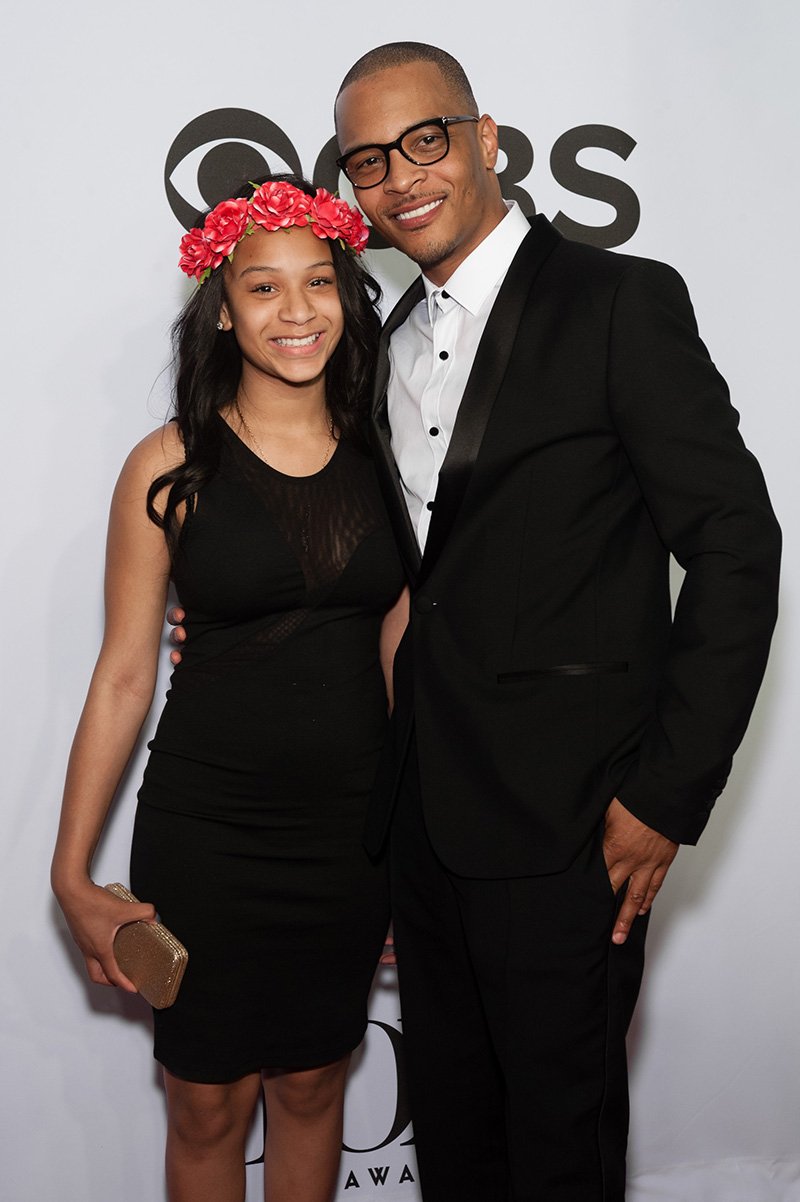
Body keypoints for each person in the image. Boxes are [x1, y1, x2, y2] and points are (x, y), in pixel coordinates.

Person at [330, 42, 781, 1202]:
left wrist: (664, 795)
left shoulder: (619, 301)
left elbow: (736, 546)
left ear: (484, 139)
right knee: (461, 1152)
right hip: (424, 829)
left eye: (423, 139)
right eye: (366, 160)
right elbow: (409, 577)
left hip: (572, 826)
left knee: (557, 1153)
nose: (398, 178)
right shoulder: (379, 344)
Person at [51, 175, 407, 1202]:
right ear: (223, 307)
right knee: (205, 1104)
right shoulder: (169, 466)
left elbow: (400, 653)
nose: (295, 312)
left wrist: (411, 834)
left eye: (316, 284)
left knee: (309, 1086)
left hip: (348, 836)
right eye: (262, 287)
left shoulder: (391, 459)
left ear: (347, 295)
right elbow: (124, 671)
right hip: (206, 833)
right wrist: (72, 872)